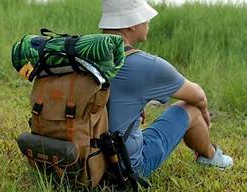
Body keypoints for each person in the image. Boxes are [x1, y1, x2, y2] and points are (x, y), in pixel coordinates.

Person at [99, 0, 233, 177]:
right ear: (131, 24)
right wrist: (204, 113)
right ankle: (210, 157)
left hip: (86, 157)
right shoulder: (146, 65)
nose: (148, 21)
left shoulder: (86, 54)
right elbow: (198, 95)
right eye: (145, 17)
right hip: (126, 167)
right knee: (190, 107)